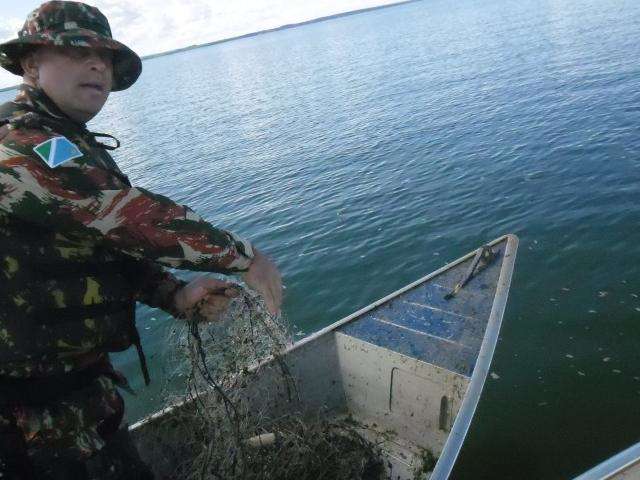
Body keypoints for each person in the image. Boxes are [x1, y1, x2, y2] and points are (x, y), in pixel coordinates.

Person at [0, 1, 282, 478]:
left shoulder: (70, 143)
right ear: (31, 63)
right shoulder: (17, 144)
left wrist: (173, 293)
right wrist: (243, 257)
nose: (97, 64)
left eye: (106, 57)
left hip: (82, 399)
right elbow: (120, 213)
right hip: (23, 420)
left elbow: (104, 247)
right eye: (77, 51)